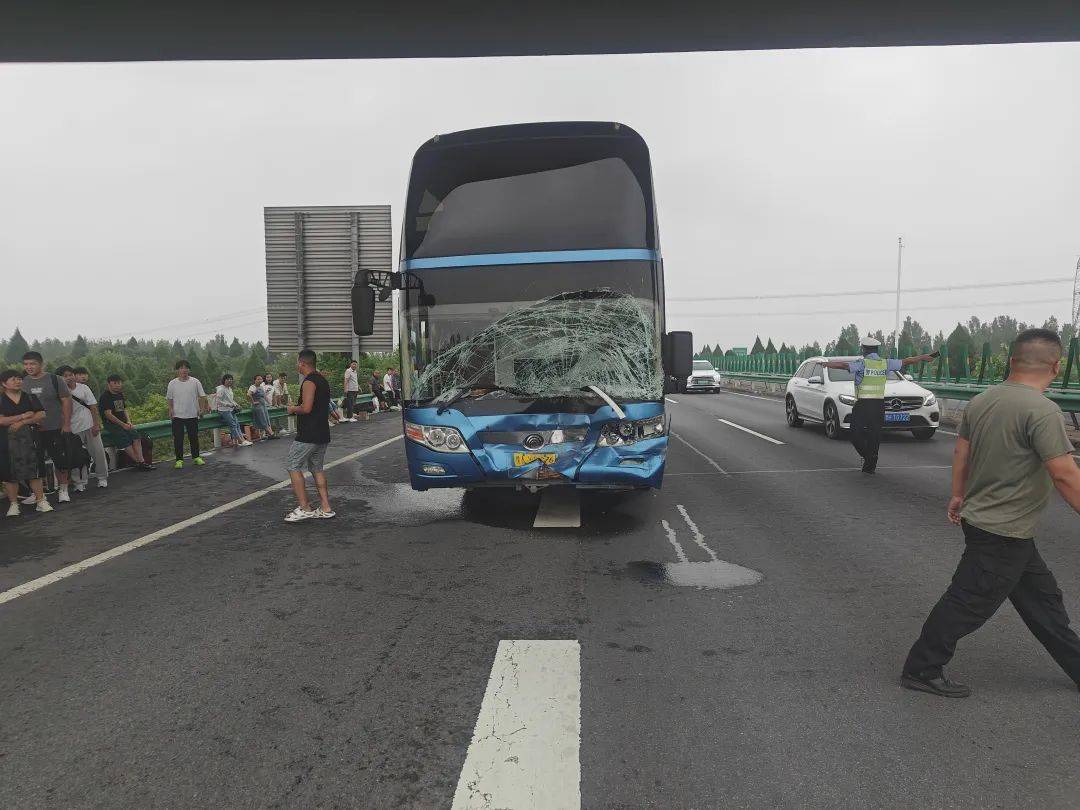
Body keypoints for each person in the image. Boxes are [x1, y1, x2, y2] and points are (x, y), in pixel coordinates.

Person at [901, 329, 1080, 698]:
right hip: (1002, 531)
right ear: (1056, 367)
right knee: (968, 601)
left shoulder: (982, 401)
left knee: (1043, 600)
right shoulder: (1043, 410)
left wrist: (957, 495)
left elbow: (961, 454)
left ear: (1012, 361)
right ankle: (922, 667)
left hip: (996, 525)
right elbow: (1064, 473)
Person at [821, 337, 939, 474]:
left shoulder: (862, 363)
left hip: (863, 404)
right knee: (874, 434)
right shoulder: (885, 363)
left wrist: (827, 364)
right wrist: (924, 357)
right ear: (877, 350)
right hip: (878, 404)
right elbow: (908, 360)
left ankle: (868, 458)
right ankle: (871, 461)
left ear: (864, 349)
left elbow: (844, 366)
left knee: (855, 433)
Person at [284, 349, 334, 522]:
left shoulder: (309, 382)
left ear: (302, 363)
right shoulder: (322, 380)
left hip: (308, 434)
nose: (297, 366)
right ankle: (326, 507)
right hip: (322, 432)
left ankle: (305, 508)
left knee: (292, 465)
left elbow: (306, 408)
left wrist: (292, 409)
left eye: (298, 363)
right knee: (316, 468)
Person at [20, 351, 74, 502]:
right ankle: (37, 494)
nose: (29, 367)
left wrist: (67, 424)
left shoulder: (55, 380)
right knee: (34, 462)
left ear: (41, 364)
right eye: (26, 364)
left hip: (55, 427)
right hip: (33, 431)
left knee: (60, 460)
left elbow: (66, 402)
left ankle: (63, 489)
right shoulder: (23, 383)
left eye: (32, 364)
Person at [1, 369, 52, 516]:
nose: (18, 381)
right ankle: (13, 505)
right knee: (9, 474)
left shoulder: (30, 397)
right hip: (7, 441)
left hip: (31, 439)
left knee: (35, 471)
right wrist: (23, 415)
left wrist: (22, 422)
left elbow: (41, 414)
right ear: (4, 383)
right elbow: (1, 420)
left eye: (19, 378)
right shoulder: (1, 399)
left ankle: (40, 501)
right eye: (13, 379)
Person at [60, 365, 108, 491]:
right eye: (65, 376)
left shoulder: (84, 388)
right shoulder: (59, 392)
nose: (68, 378)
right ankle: (79, 482)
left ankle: (102, 478)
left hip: (89, 424)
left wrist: (96, 424)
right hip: (73, 428)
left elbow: (93, 406)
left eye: (70, 375)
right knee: (76, 456)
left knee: (98, 452)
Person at [98, 374, 152, 470]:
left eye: (119, 382)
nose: (117, 385)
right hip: (111, 424)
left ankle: (141, 461)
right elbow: (108, 415)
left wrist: (128, 421)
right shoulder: (105, 397)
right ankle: (140, 463)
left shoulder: (120, 394)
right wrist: (123, 425)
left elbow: (123, 409)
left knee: (136, 437)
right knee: (126, 442)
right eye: (114, 383)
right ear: (109, 384)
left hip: (124, 423)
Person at [166, 360, 208, 469]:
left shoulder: (195, 382)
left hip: (192, 414)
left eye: (186, 368)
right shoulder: (172, 383)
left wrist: (202, 409)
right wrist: (170, 409)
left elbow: (202, 396)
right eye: (181, 368)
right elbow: (169, 398)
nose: (184, 370)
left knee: (193, 437)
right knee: (178, 439)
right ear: (177, 370)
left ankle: (196, 457)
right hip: (177, 416)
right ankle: (179, 460)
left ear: (189, 369)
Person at [215, 374, 252, 447]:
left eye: (231, 379)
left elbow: (231, 400)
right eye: (228, 379)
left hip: (231, 409)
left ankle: (241, 440)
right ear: (224, 380)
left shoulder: (229, 389)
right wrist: (228, 405)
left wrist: (236, 404)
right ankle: (241, 441)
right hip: (224, 410)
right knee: (233, 425)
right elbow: (218, 401)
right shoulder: (221, 389)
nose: (230, 380)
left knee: (237, 424)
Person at [247, 374, 275, 440]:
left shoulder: (261, 387)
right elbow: (248, 395)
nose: (260, 380)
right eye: (258, 379)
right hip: (258, 407)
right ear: (255, 380)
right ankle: (271, 434)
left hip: (263, 406)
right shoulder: (253, 387)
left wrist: (270, 403)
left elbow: (264, 395)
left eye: (261, 379)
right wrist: (253, 402)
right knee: (263, 420)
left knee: (266, 419)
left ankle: (270, 433)